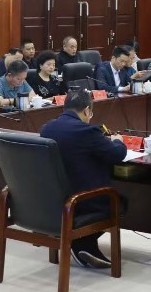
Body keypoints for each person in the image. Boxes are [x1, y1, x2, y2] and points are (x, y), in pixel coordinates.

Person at [39, 88, 127, 268]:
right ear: (87, 110)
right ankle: (81, 240)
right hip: (82, 201)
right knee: (121, 202)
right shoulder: (87, 131)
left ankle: (83, 242)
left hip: (55, 200)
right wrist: (118, 141)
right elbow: (117, 154)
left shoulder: (47, 128)